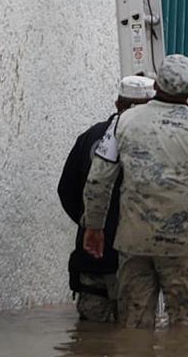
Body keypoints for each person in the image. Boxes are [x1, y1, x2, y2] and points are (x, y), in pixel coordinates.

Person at [81, 54, 188, 328]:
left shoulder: (123, 122)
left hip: (134, 243)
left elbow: (98, 178)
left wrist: (93, 228)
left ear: (155, 86)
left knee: (133, 328)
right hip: (185, 246)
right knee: (187, 330)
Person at [57, 75, 154, 323]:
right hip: (137, 258)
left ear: (117, 103)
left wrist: (88, 222)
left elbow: (66, 190)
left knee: (89, 338)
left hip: (93, 255)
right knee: (135, 343)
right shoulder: (157, 144)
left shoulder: (90, 137)